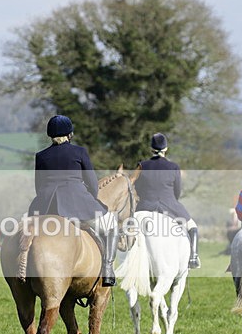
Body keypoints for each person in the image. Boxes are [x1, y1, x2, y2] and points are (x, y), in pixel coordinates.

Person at [27, 114, 118, 286]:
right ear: (70, 134)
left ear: (50, 135)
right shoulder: (79, 152)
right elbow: (92, 184)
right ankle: (108, 270)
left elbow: (39, 186)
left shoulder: (41, 156)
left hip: (46, 206)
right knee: (111, 226)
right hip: (77, 203)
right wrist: (90, 200)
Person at [134, 133, 201, 268]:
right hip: (169, 204)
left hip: (145, 205)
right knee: (192, 226)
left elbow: (137, 187)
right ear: (166, 149)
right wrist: (172, 201)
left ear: (151, 149)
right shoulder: (173, 167)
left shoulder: (142, 165)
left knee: (125, 227)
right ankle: (193, 257)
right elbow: (177, 191)